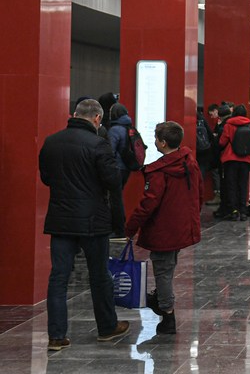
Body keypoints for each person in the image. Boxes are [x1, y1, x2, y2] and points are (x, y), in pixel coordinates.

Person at [39, 99, 130, 350]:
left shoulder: (51, 142)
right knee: (99, 275)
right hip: (93, 220)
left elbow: (46, 178)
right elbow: (113, 181)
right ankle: (107, 327)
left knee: (58, 277)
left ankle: (56, 336)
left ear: (74, 114)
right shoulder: (98, 144)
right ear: (97, 118)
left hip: (60, 219)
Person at [124, 121, 203, 335]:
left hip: (163, 229)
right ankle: (160, 299)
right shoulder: (189, 162)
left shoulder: (160, 171)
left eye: (156, 139)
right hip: (181, 225)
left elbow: (148, 204)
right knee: (167, 266)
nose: (154, 142)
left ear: (163, 142)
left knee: (163, 271)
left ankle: (167, 314)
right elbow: (198, 193)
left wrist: (130, 228)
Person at [218, 104, 250, 221]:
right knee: (243, 185)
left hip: (231, 159)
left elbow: (222, 142)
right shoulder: (249, 125)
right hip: (246, 159)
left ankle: (234, 211)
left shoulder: (228, 125)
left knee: (232, 185)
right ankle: (243, 211)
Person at [106, 102, 134, 238]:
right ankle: (119, 228)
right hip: (126, 168)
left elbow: (109, 151)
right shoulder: (129, 127)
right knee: (117, 197)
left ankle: (119, 230)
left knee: (115, 199)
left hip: (117, 168)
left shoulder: (115, 130)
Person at [204, 104, 223, 207]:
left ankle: (218, 196)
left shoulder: (221, 123)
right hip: (220, 153)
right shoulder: (220, 122)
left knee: (216, 174)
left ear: (216, 110)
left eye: (212, 114)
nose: (211, 117)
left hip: (219, 154)